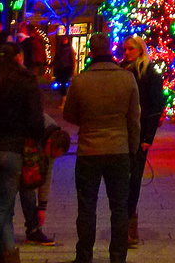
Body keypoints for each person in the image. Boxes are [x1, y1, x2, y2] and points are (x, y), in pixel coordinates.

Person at [63, 33, 141, 263]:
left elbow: (69, 114)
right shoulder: (127, 79)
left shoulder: (80, 80)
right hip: (118, 150)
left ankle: (84, 256)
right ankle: (118, 257)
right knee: (119, 208)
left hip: (89, 150)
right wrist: (133, 148)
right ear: (110, 49)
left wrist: (88, 122)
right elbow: (134, 118)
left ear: (91, 52)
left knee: (87, 206)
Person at [0, 41, 44, 263]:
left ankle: (9, 254)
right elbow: (36, 120)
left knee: (4, 205)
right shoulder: (26, 82)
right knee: (1, 206)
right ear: (18, 57)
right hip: (14, 148)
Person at [120, 36, 166, 248]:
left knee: (134, 178)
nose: (127, 52)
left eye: (131, 49)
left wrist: (148, 137)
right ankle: (122, 221)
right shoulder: (121, 70)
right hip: (121, 133)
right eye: (125, 49)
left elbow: (156, 106)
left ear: (140, 50)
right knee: (121, 177)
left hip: (139, 134)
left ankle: (130, 222)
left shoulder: (149, 73)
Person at [19, 114, 71, 246]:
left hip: (24, 154)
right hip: (14, 149)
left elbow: (46, 175)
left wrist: (42, 207)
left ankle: (33, 230)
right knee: (25, 187)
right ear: (49, 143)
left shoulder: (53, 139)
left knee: (27, 187)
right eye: (52, 153)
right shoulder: (37, 128)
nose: (51, 157)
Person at [52, 35, 76, 100]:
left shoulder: (70, 49)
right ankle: (63, 96)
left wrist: (72, 69)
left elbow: (72, 60)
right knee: (61, 83)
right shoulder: (60, 49)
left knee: (64, 83)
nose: (64, 41)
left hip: (67, 68)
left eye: (65, 39)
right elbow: (56, 58)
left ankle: (64, 97)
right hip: (60, 68)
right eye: (63, 39)